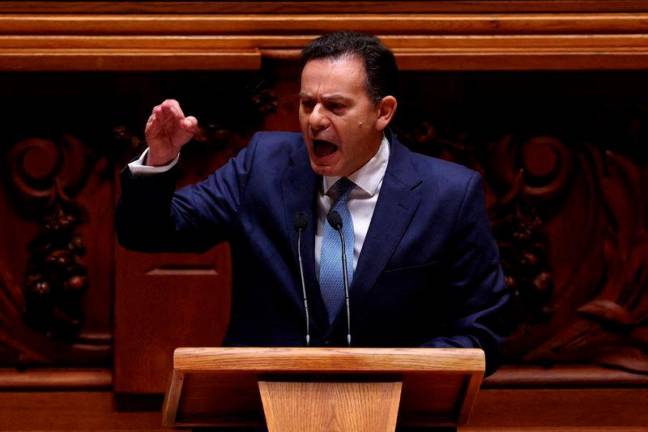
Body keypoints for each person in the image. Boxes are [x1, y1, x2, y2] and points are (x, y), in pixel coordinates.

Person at [116, 31, 510, 376]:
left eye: (335, 106)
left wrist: (397, 371)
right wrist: (159, 161)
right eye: (307, 104)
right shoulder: (263, 165)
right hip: (262, 412)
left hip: (392, 415)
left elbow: (484, 329)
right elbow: (148, 231)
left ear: (383, 111)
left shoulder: (448, 194)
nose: (314, 120)